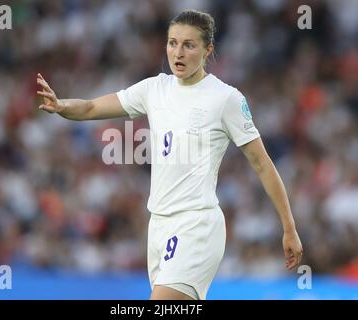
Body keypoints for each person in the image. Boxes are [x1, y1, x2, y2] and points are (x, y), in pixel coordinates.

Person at [36, 9, 303, 300]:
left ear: (207, 50)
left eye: (189, 44)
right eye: (173, 42)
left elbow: (262, 164)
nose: (178, 52)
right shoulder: (155, 89)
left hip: (196, 225)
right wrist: (62, 105)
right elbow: (90, 108)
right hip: (159, 226)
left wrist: (289, 228)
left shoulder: (225, 98)